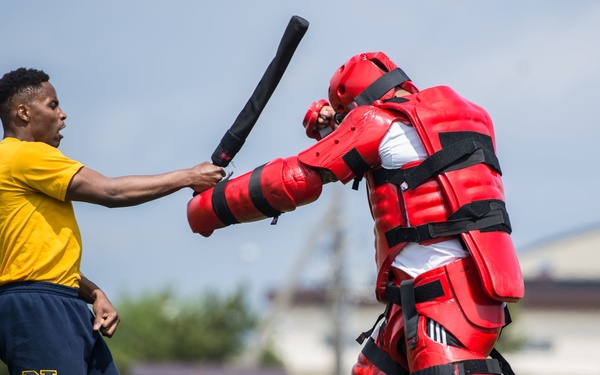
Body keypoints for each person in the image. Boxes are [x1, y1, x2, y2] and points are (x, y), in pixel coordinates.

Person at [187, 52, 524, 375]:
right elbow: (384, 149)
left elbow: (293, 180)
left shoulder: (380, 123)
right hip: (436, 294)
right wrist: (333, 122)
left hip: (440, 301)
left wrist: (209, 208)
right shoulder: (459, 119)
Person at [0, 68, 225, 374]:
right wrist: (189, 176)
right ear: (23, 113)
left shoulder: (18, 164)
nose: (63, 114)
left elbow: (32, 258)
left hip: (62, 301)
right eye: (52, 105)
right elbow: (110, 191)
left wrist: (94, 293)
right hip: (38, 308)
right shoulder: (24, 155)